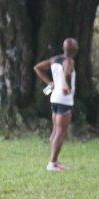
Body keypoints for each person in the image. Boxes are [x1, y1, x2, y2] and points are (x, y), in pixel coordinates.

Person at [33, 37, 77, 172]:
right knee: (61, 132)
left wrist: (49, 83)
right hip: (64, 100)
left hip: (54, 99)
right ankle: (52, 163)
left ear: (63, 48)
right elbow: (68, 73)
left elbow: (37, 68)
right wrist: (68, 86)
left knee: (56, 130)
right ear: (76, 49)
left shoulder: (55, 59)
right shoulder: (69, 61)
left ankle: (55, 161)